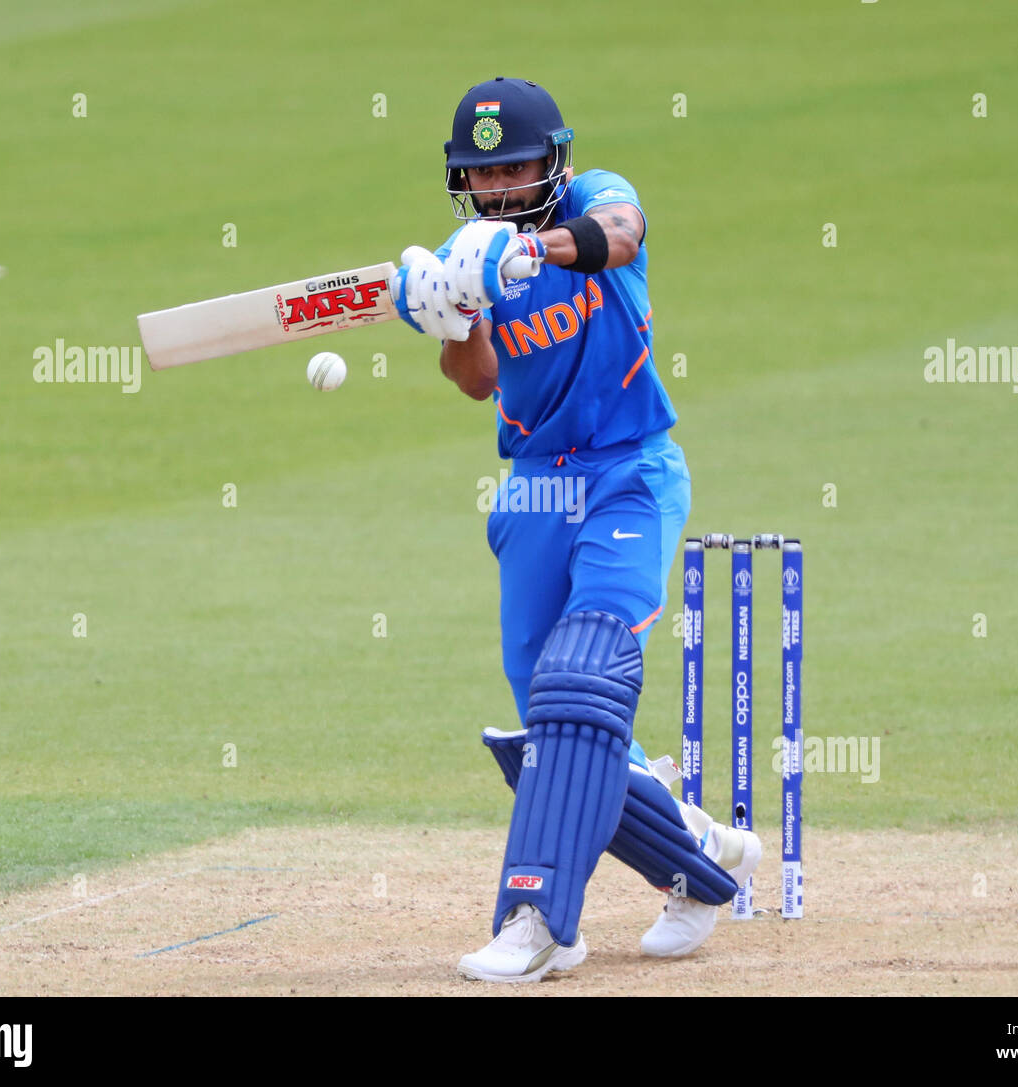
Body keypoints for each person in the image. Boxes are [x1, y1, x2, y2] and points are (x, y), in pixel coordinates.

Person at [390, 77, 760, 983]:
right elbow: (475, 379)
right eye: (485, 175)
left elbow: (619, 236)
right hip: (532, 489)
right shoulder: (461, 252)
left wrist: (525, 256)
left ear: (551, 160)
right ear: (461, 182)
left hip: (632, 470)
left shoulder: (596, 197)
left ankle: (542, 920)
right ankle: (698, 858)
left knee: (584, 668)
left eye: (518, 165)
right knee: (550, 711)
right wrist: (450, 312)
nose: (504, 186)